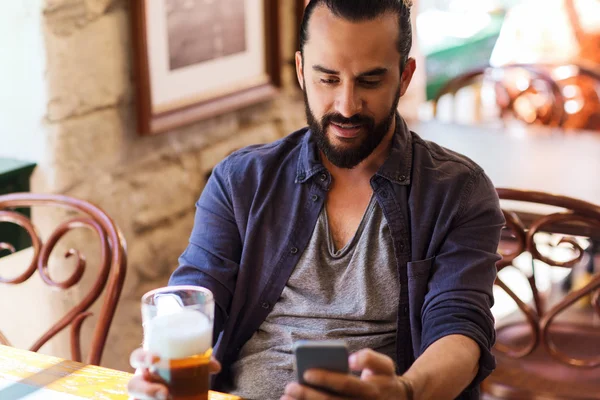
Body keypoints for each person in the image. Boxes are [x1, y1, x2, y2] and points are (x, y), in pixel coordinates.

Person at [127, 1, 505, 399]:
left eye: (370, 81)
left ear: (405, 76)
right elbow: (194, 293)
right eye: (327, 79)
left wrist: (405, 391)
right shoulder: (241, 181)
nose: (346, 106)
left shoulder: (458, 192)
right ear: (300, 70)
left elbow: (461, 330)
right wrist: (160, 366)